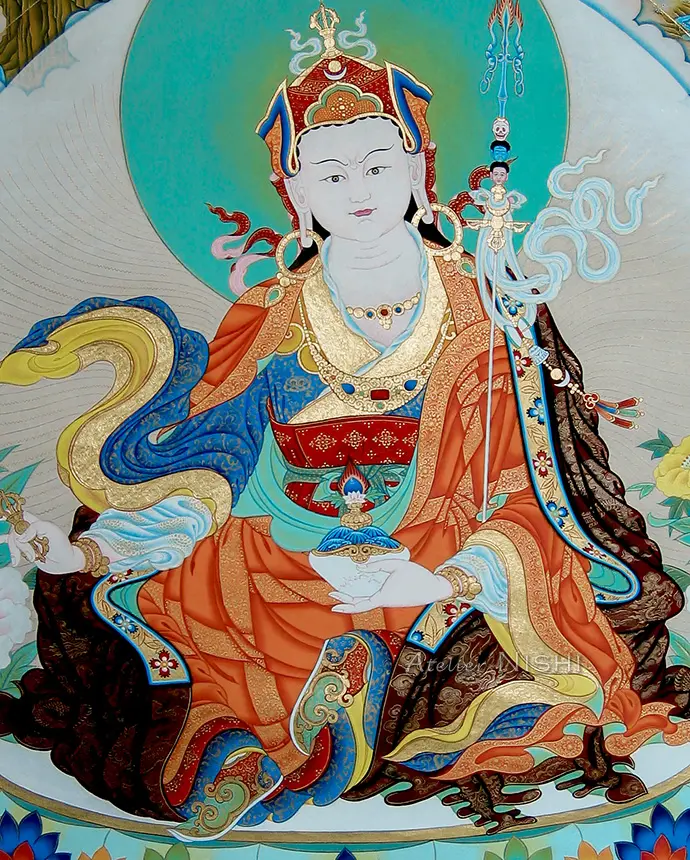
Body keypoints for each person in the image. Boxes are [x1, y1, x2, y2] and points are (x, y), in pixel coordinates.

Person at [1, 3, 689, 840]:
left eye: (376, 165)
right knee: (187, 593)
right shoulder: (270, 314)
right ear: (295, 193)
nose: (357, 191)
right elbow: (214, 467)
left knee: (463, 637)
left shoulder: (485, 310)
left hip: (433, 544)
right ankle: (238, 754)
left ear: (419, 171)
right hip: (277, 546)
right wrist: (95, 551)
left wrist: (442, 580)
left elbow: (527, 489)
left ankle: (344, 702)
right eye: (328, 174)